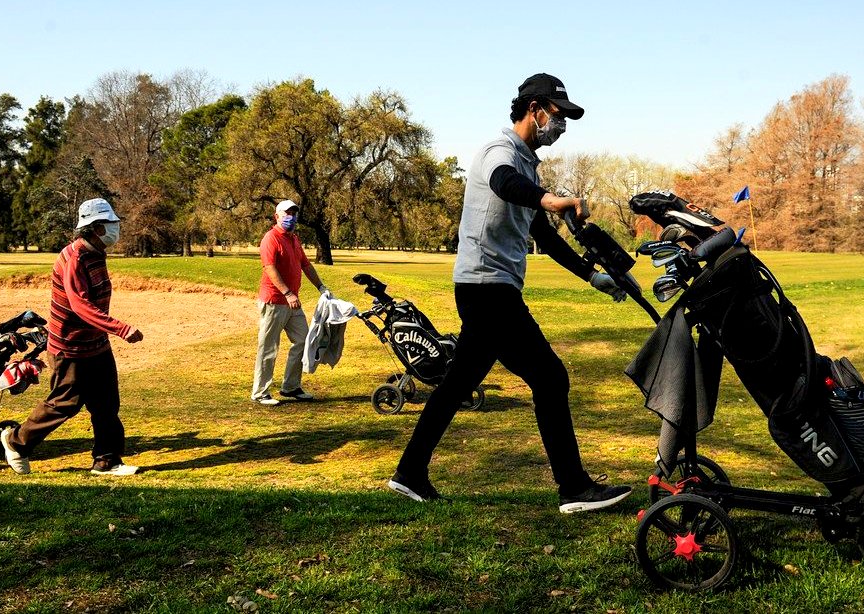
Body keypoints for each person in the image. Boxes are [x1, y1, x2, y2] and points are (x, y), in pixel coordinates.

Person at [388, 73, 639, 513]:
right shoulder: (499, 152)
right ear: (535, 109)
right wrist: (552, 199)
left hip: (487, 290)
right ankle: (573, 487)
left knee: (455, 385)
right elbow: (506, 185)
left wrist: (591, 275)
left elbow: (542, 231)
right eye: (558, 116)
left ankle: (409, 473)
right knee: (550, 377)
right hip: (488, 289)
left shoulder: (529, 166)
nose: (561, 127)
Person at [0, 198, 144, 476]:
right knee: (65, 402)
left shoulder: (95, 252)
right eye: (110, 223)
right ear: (96, 228)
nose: (116, 228)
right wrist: (121, 328)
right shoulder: (75, 258)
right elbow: (80, 305)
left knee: (106, 403)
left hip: (95, 343)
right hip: (70, 347)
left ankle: (107, 461)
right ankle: (16, 442)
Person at [251, 200, 329, 406]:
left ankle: (290, 386)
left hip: (292, 302)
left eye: (294, 213)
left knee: (304, 340)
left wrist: (321, 287)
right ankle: (260, 392)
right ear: (277, 216)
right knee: (268, 347)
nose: (291, 217)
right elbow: (269, 268)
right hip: (275, 301)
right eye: (287, 213)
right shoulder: (271, 238)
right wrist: (287, 293)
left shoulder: (294, 239)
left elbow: (305, 264)